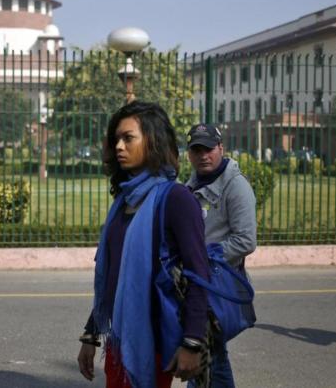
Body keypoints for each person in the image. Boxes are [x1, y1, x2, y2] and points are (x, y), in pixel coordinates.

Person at [77, 101, 211, 388]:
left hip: (154, 339)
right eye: (116, 139)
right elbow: (113, 276)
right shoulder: (123, 201)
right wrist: (91, 333)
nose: (119, 146)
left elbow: (199, 274)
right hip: (120, 338)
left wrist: (193, 342)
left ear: (152, 140)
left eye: (128, 138)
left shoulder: (176, 199)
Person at [185, 124, 257, 388]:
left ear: (221, 148)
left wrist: (204, 257)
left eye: (209, 149)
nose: (203, 155)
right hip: (197, 284)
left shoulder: (236, 186)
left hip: (217, 285)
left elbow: (246, 240)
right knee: (208, 355)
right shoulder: (190, 186)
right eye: (197, 150)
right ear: (189, 154)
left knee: (209, 354)